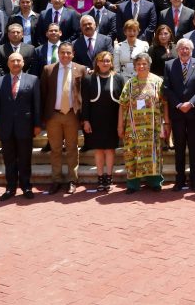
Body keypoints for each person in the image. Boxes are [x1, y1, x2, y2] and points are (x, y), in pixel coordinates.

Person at [0, 53, 41, 200]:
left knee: (25, 158)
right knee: (9, 159)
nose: (16, 63)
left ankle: (26, 186)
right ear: (8, 63)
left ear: (23, 63)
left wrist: (37, 124)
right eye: (13, 61)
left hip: (25, 126)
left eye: (18, 60)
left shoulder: (33, 79)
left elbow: (36, 104)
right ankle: (10, 188)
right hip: (6, 127)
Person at [39, 42, 87, 194]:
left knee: (72, 148)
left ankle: (72, 179)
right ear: (58, 54)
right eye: (62, 52)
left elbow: (84, 93)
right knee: (55, 149)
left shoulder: (81, 69)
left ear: (73, 54)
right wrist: (43, 117)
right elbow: (43, 93)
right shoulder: (48, 69)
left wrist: (84, 116)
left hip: (72, 114)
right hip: (53, 115)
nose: (65, 55)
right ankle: (56, 179)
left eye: (68, 53)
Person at [162, 38, 195, 191]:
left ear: (192, 50)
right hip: (177, 113)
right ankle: (180, 179)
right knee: (179, 147)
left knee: (194, 147)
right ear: (177, 50)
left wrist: (191, 103)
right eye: (181, 48)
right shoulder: (169, 65)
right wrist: (178, 104)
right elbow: (167, 87)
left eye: (187, 48)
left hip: (194, 112)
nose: (184, 50)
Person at [118, 53, 168, 193]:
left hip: (153, 127)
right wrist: (120, 126)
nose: (141, 66)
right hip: (133, 128)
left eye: (144, 64)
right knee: (132, 153)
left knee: (153, 153)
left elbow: (165, 103)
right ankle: (133, 184)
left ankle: (155, 182)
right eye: (138, 64)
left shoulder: (158, 81)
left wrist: (166, 123)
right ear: (134, 66)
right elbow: (122, 105)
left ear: (149, 65)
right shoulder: (129, 83)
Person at [82, 50, 124, 193]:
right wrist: (86, 120)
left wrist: (121, 123)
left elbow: (123, 102)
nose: (105, 63)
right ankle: (100, 177)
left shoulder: (119, 78)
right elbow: (85, 102)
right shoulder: (89, 79)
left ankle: (109, 177)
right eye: (102, 61)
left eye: (107, 61)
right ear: (97, 63)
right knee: (99, 149)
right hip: (95, 119)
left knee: (110, 149)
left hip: (113, 119)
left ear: (111, 63)